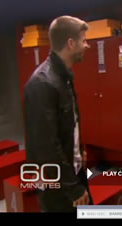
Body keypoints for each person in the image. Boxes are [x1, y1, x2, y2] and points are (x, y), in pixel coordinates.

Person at [23, 15, 92, 212]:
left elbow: (69, 123)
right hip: (58, 185)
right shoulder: (43, 84)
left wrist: (78, 150)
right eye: (83, 40)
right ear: (71, 43)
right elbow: (47, 147)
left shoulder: (64, 77)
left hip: (73, 170)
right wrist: (73, 188)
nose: (87, 45)